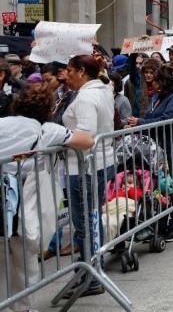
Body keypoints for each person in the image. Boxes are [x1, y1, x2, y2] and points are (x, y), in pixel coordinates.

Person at [0, 85, 95, 312]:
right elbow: (87, 141)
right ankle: (22, 307)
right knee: (25, 260)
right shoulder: (47, 130)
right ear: (48, 110)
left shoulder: (2, 123)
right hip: (22, 203)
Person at [61, 54, 116, 297]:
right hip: (100, 163)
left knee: (85, 223)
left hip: (85, 167)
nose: (66, 75)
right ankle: (93, 270)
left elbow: (86, 136)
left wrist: (55, 136)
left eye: (69, 70)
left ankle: (92, 277)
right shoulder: (103, 88)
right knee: (91, 219)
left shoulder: (87, 96)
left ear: (81, 71)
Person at [127, 66, 173, 241]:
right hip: (155, 150)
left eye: (154, 79)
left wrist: (140, 122)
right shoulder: (156, 97)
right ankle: (160, 223)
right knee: (159, 186)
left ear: (163, 81)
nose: (151, 81)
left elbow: (166, 120)